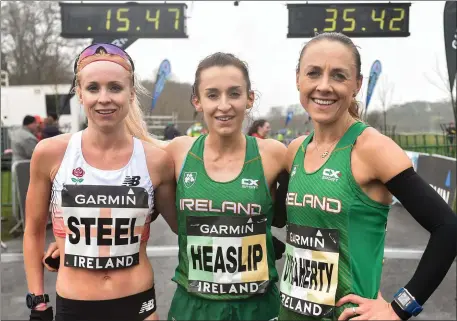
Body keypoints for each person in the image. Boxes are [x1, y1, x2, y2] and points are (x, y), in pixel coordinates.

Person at [278, 32, 457, 321]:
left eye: (338, 76)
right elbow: (277, 221)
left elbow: (448, 227)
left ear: (357, 84)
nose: (324, 86)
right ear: (298, 78)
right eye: (313, 73)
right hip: (291, 314)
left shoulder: (372, 148)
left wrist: (399, 308)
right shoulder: (295, 150)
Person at [23, 43, 177, 321]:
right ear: (79, 93)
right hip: (75, 304)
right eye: (93, 88)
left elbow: (184, 227)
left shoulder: (156, 160)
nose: (104, 98)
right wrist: (38, 302)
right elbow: (33, 232)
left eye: (115, 88)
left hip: (138, 303)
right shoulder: (50, 153)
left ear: (131, 94)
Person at [163, 52, 287, 321]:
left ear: (249, 98)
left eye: (234, 93)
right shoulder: (177, 152)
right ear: (197, 100)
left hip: (257, 307)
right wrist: (64, 240)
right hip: (193, 306)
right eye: (212, 95)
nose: (224, 105)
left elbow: (318, 204)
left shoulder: (275, 155)